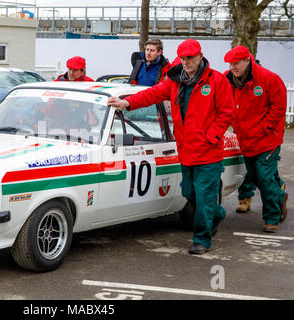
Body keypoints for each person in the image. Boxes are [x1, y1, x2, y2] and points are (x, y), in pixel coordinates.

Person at [108, 39, 235, 254]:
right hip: (186, 149)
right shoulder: (175, 80)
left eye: (190, 59)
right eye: (183, 59)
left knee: (203, 198)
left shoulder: (217, 81)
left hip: (209, 151)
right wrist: (128, 102)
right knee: (189, 192)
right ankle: (218, 213)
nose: (185, 63)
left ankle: (202, 239)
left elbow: (227, 113)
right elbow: (153, 93)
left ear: (200, 57)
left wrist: (211, 136)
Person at [224, 45, 288, 233]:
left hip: (267, 139)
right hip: (245, 138)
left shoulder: (268, 79)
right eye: (230, 64)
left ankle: (272, 219)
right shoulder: (229, 81)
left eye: (236, 63)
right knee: (256, 177)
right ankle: (280, 195)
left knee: (265, 178)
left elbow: (278, 108)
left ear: (247, 60)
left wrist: (262, 129)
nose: (232, 67)